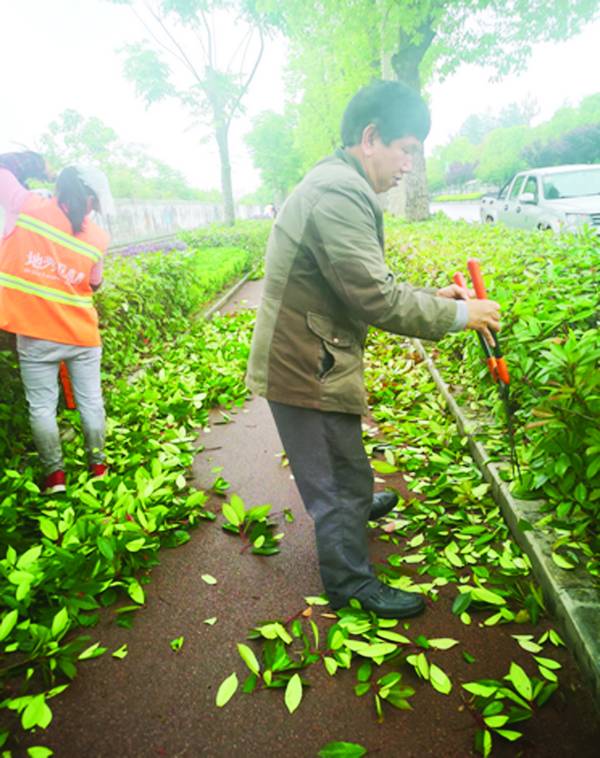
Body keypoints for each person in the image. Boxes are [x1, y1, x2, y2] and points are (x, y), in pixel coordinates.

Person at [246, 80, 501, 619]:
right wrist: (461, 313)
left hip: (312, 351)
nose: (409, 164)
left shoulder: (338, 181)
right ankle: (350, 587)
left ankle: (355, 506)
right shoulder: (339, 192)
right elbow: (375, 297)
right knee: (337, 482)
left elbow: (357, 281)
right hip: (304, 364)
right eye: (405, 149)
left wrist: (433, 298)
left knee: (347, 466)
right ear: (370, 138)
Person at [0, 151, 115, 495]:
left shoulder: (29, 207)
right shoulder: (97, 236)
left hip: (36, 334)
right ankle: (98, 467)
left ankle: (55, 479)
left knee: (41, 408)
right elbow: (95, 283)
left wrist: (35, 165)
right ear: (90, 199)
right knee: (92, 402)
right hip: (81, 333)